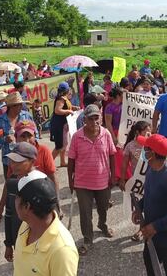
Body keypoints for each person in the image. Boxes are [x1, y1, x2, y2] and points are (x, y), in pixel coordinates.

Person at [132, 134, 167, 276]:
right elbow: (149, 192)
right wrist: (140, 207)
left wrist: (156, 226)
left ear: (153, 154)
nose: (142, 151)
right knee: (151, 269)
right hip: (153, 237)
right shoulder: (151, 169)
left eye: (145, 149)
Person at [68, 104, 116, 255]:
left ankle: (102, 224)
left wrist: (113, 175)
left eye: (97, 118)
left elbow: (112, 155)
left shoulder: (106, 134)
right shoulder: (77, 136)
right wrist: (70, 180)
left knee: (103, 206)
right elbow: (71, 161)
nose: (94, 121)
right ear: (85, 120)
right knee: (85, 212)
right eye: (91, 118)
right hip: (82, 182)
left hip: (102, 181)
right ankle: (87, 238)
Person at [13, 175, 78, 276]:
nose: (14, 201)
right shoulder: (26, 224)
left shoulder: (62, 252)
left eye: (16, 197)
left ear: (27, 206)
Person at [0, 92, 33, 177]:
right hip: (9, 162)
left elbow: (36, 135)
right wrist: (4, 139)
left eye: (21, 104)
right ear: (10, 107)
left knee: (28, 186)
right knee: (11, 187)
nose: (20, 107)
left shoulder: (26, 116)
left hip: (27, 159)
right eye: (17, 105)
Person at [120, 120, 150, 242]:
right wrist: (122, 179)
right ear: (138, 132)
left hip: (151, 181)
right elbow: (124, 164)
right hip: (137, 183)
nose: (149, 134)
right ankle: (141, 228)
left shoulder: (151, 145)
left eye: (150, 131)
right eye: (146, 131)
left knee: (150, 205)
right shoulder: (130, 146)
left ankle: (144, 230)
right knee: (139, 207)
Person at [50, 82, 76, 167]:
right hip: (59, 125)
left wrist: (74, 108)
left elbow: (67, 106)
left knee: (64, 144)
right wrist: (68, 111)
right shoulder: (60, 99)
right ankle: (48, 164)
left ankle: (62, 162)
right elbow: (57, 110)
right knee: (59, 146)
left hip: (63, 125)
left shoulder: (64, 98)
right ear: (66, 90)